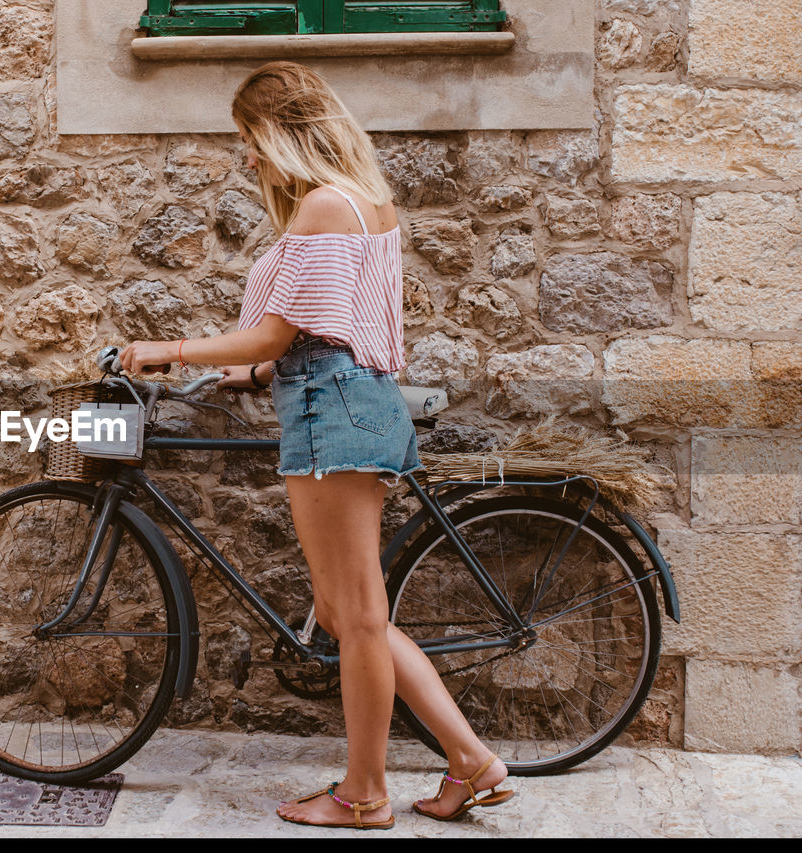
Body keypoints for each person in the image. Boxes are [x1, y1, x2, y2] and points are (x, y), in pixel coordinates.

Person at [118, 61, 514, 830]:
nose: (248, 159)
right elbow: (319, 329)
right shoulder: (363, 202)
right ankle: (470, 760)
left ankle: (364, 793)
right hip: (344, 397)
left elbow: (281, 329)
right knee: (343, 611)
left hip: (332, 407)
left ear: (278, 132)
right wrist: (258, 368)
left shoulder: (326, 208)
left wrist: (169, 347)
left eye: (250, 141)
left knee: (358, 615)